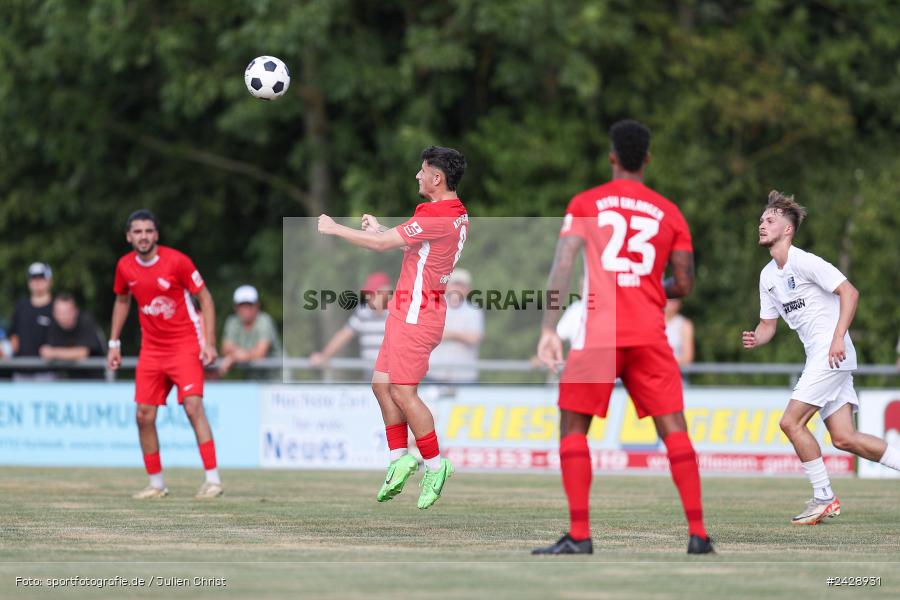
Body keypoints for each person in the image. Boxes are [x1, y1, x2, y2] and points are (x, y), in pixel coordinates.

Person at [534, 119, 713, 555]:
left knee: (573, 427)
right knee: (674, 429)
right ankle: (698, 533)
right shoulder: (670, 212)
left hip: (600, 332)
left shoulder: (586, 202)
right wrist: (652, 287)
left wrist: (547, 328)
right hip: (651, 332)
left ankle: (580, 534)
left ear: (612, 156)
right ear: (647, 159)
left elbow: (562, 267)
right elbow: (685, 283)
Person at [318, 145, 468, 510]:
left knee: (403, 392)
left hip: (417, 314)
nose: (417, 176)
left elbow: (382, 246)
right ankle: (400, 457)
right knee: (381, 385)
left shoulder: (436, 214)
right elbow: (418, 250)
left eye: (422, 171)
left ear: (437, 178)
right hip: (408, 311)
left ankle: (435, 464)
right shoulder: (454, 213)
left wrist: (336, 228)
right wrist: (384, 229)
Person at [742, 191, 900, 524]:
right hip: (824, 356)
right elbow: (768, 324)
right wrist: (758, 337)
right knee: (844, 438)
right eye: (761, 220)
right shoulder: (768, 276)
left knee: (790, 422)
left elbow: (850, 292)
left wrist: (838, 337)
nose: (762, 225)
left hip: (831, 355)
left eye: (769, 220)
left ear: (788, 230)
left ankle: (823, 497)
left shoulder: (804, 261)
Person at [107, 209, 222, 500]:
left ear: (156, 234)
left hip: (185, 345)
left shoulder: (177, 261)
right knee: (143, 416)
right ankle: (156, 484)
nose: (143, 236)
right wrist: (114, 343)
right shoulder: (124, 267)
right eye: (137, 231)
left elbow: (205, 299)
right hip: (152, 350)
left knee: (193, 407)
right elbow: (122, 301)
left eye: (148, 231)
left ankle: (213, 480)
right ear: (128, 236)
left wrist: (208, 342)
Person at [309, 272, 391, 370]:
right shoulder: (363, 312)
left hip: (392, 372)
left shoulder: (396, 313)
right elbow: (344, 334)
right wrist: (324, 355)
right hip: (371, 371)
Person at [426, 268, 484, 383]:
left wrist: (447, 334)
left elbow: (474, 338)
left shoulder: (474, 311)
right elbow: (430, 336)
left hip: (465, 376)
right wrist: (461, 335)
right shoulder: (434, 307)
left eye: (462, 286)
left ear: (468, 289)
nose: (457, 289)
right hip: (435, 374)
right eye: (455, 285)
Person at [219, 285, 282, 375]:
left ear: (257, 306)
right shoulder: (232, 322)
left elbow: (260, 353)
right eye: (242, 305)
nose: (246, 309)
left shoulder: (264, 321)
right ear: (235, 308)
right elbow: (225, 349)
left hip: (277, 378)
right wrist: (247, 354)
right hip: (253, 377)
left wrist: (234, 357)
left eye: (249, 305)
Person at [41, 293, 105, 378]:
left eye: (66, 312)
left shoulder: (86, 321)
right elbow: (46, 352)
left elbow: (82, 353)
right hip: (69, 380)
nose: (63, 316)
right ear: (54, 313)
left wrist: (54, 352)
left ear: (75, 311)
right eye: (60, 312)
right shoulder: (53, 326)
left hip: (95, 379)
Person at [9, 262, 54, 357]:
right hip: (21, 367)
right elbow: (13, 336)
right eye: (33, 278)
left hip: (49, 368)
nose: (37, 281)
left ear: (50, 281)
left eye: (41, 278)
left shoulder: (57, 308)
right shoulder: (21, 306)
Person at [665, 298, 695, 367]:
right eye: (669, 299)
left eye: (675, 299)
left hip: (678, 372)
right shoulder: (651, 323)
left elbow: (688, 358)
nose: (672, 303)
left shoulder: (685, 324)